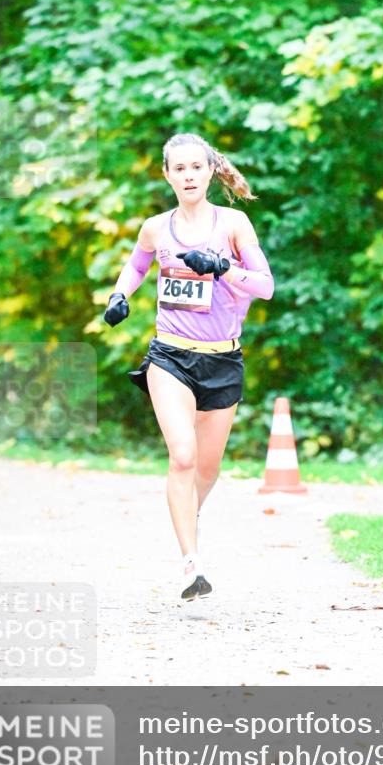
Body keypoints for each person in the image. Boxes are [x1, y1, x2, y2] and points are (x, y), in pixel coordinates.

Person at [103, 133, 274, 602]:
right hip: (170, 356)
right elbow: (136, 268)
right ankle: (190, 564)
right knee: (182, 456)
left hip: (223, 359)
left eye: (196, 167)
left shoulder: (234, 224)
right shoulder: (156, 228)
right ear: (167, 175)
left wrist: (222, 268)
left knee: (206, 466)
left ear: (210, 171)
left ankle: (186, 520)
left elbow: (265, 286)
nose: (188, 175)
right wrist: (120, 296)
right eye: (179, 169)